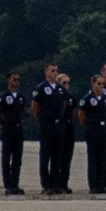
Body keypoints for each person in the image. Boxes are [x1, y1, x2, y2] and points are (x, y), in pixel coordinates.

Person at [31, 64, 70, 195]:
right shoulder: (41, 88)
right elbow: (35, 108)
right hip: (46, 125)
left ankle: (55, 183)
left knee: (57, 155)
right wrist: (42, 119)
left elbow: (63, 104)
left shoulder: (60, 88)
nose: (55, 73)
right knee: (45, 155)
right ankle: (46, 184)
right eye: (52, 71)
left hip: (58, 125)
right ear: (46, 72)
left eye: (56, 71)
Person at [78, 75, 106, 194]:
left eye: (102, 84)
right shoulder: (87, 98)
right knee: (93, 158)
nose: (101, 86)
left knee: (102, 158)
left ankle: (101, 184)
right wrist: (90, 125)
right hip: (92, 129)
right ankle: (93, 185)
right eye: (99, 84)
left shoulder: (105, 98)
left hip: (103, 129)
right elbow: (81, 116)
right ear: (93, 84)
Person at [0, 72, 28, 195]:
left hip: (18, 130)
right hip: (8, 129)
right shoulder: (3, 96)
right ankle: (8, 185)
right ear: (9, 81)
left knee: (17, 159)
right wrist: (0, 123)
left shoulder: (21, 97)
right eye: (14, 80)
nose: (17, 82)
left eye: (18, 80)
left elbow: (23, 110)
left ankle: (15, 184)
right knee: (6, 158)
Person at [54, 73, 78, 193]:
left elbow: (74, 113)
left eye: (68, 83)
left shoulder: (71, 98)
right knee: (58, 155)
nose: (67, 85)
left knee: (67, 157)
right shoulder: (55, 96)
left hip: (68, 127)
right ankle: (55, 183)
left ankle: (64, 183)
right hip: (58, 126)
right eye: (64, 83)